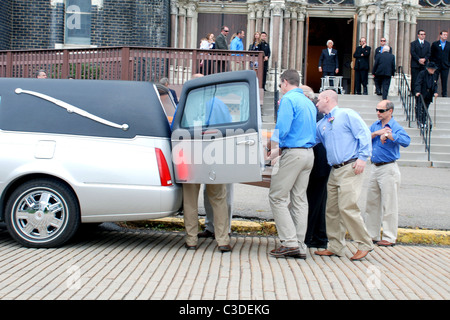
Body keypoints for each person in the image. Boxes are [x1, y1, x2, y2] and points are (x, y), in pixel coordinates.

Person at [314, 90, 374, 261]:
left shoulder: (347, 114)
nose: (316, 104)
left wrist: (363, 158)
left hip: (351, 166)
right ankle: (335, 246)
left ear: (327, 99)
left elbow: (364, 134)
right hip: (334, 170)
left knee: (347, 207)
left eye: (318, 100)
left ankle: (365, 243)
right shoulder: (322, 124)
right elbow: (312, 140)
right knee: (331, 209)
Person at [266, 70, 317, 259]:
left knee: (277, 197)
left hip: (293, 152)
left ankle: (289, 242)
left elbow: (283, 129)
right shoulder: (308, 102)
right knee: (299, 199)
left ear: (285, 82)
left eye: (280, 85)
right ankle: (300, 244)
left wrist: (271, 147)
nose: (280, 88)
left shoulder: (288, 100)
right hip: (308, 153)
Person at [365, 100, 411, 247]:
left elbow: (406, 141)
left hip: (388, 168)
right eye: (377, 110)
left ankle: (389, 236)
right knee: (372, 203)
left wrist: (390, 135)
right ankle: (372, 234)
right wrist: (377, 133)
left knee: (389, 203)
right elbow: (365, 137)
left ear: (390, 111)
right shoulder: (376, 125)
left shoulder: (395, 126)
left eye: (381, 110)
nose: (378, 113)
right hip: (375, 167)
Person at [301, 85, 331, 249]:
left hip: (318, 163)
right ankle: (319, 237)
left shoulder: (312, 112)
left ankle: (308, 236)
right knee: (318, 201)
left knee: (312, 201)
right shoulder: (317, 113)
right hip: (321, 163)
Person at [410, 30, 431, 94]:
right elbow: (413, 52)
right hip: (415, 64)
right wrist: (419, 59)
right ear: (418, 35)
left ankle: (422, 91)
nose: (423, 35)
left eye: (424, 34)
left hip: (424, 64)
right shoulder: (413, 43)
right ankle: (413, 91)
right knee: (414, 78)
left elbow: (429, 53)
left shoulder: (427, 44)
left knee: (423, 78)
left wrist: (424, 59)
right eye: (421, 34)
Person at [430, 30, 450, 97]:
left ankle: (444, 94)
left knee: (444, 80)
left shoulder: (449, 44)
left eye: (446, 35)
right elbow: (431, 54)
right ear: (440, 35)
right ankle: (433, 92)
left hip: (445, 66)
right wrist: (433, 63)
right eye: (444, 34)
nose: (445, 36)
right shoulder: (435, 44)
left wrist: (448, 64)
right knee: (434, 79)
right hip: (436, 65)